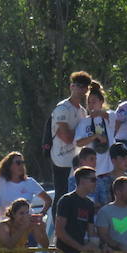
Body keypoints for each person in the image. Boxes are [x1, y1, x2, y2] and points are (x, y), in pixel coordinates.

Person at [54, 166, 106, 253]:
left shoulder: (89, 204)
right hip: (65, 252)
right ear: (82, 181)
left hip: (78, 252)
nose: (96, 183)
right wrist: (80, 247)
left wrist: (100, 246)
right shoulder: (67, 200)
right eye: (93, 179)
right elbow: (59, 231)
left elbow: (91, 232)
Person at [50, 71, 91, 204]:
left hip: (76, 160)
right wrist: (79, 133)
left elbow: (82, 137)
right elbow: (66, 137)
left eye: (84, 87)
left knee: (76, 196)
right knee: (61, 195)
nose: (81, 90)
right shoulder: (62, 108)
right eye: (78, 85)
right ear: (71, 86)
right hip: (61, 159)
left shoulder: (83, 111)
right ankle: (55, 224)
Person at [74, 81, 116, 177]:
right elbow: (78, 142)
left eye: (94, 101)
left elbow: (111, 117)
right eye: (89, 102)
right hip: (93, 171)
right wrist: (94, 137)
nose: (91, 105)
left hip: (109, 169)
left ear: (101, 102)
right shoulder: (84, 122)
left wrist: (99, 113)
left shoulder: (109, 116)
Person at [0, 152, 51, 216]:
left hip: (27, 224)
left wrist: (41, 215)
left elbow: (48, 200)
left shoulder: (30, 182)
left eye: (22, 163)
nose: (21, 165)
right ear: (9, 165)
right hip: (7, 223)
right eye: (18, 163)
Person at [96, 143, 127, 207]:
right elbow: (96, 204)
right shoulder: (101, 180)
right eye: (122, 158)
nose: (126, 161)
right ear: (113, 160)